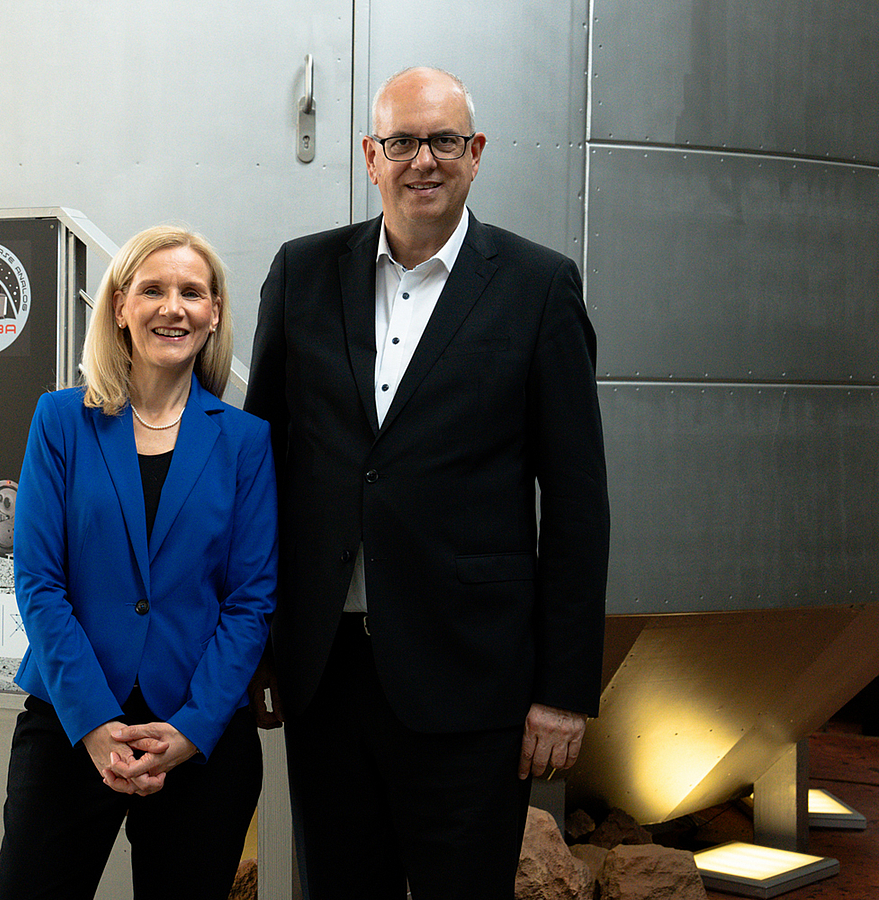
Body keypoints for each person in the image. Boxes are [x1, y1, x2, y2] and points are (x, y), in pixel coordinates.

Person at [243, 66, 609, 900]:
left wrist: (562, 691)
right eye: (401, 142)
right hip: (325, 676)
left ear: (475, 154)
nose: (423, 161)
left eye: (444, 141)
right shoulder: (301, 274)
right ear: (370, 156)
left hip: (474, 685)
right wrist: (260, 646)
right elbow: (258, 471)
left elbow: (579, 501)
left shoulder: (538, 287)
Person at [0, 225, 277, 899]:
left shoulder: (245, 441)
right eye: (152, 289)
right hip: (71, 727)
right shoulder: (60, 421)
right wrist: (93, 724)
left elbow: (250, 602)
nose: (171, 307)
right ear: (119, 305)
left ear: (213, 316)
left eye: (191, 293)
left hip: (199, 740)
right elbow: (39, 582)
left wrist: (190, 730)